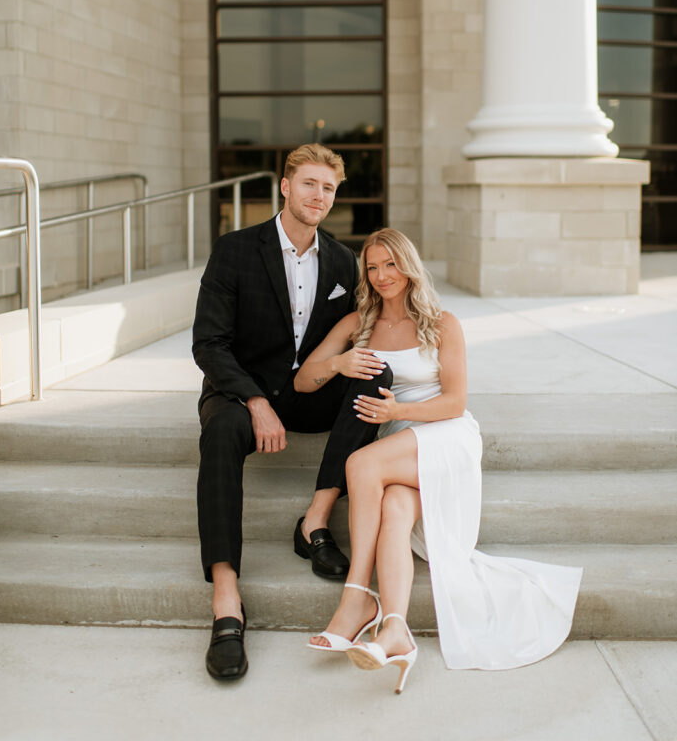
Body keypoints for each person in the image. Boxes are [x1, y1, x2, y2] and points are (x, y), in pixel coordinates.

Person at [295, 228, 582, 693]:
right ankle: (393, 630)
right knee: (393, 509)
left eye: (391, 264)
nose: (382, 275)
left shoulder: (442, 322)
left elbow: (454, 401)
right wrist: (340, 364)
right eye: (372, 267)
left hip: (443, 435)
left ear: (408, 266)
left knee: (362, 466)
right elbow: (304, 382)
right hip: (396, 442)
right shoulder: (358, 324)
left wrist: (398, 412)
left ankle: (355, 598)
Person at [193, 144, 385, 682]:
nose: (318, 196)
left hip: (308, 390)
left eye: (328, 188)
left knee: (374, 374)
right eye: (309, 184)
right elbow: (208, 344)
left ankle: (315, 522)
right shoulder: (234, 250)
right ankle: (226, 598)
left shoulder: (345, 261)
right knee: (222, 431)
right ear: (285, 186)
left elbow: (361, 330)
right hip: (241, 392)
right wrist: (256, 400)